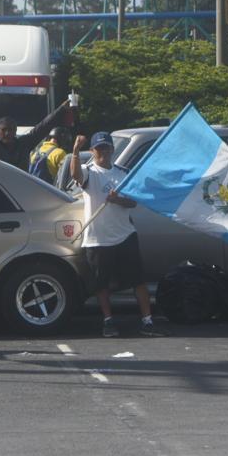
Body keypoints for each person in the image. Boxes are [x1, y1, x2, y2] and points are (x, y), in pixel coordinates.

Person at [70, 132, 165, 338]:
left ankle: (147, 321)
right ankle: (108, 321)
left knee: (137, 280)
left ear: (112, 150)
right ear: (92, 151)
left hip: (125, 235)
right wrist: (75, 151)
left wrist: (118, 200)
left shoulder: (123, 173)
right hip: (98, 239)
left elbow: (133, 202)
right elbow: (76, 176)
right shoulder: (89, 172)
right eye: (99, 149)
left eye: (106, 148)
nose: (103, 152)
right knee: (101, 283)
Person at [0, 96, 74, 170]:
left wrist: (62, 109)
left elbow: (43, 126)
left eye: (10, 130)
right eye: (4, 130)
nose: (7, 133)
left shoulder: (24, 144)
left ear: (15, 131)